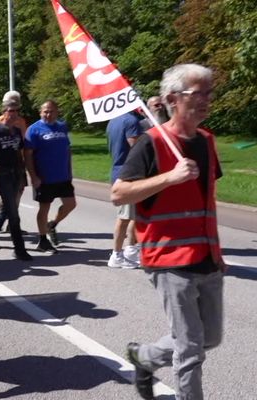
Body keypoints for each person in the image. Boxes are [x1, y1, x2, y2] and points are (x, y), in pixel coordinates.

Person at [111, 64, 225, 400]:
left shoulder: (207, 140)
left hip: (207, 257)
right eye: (198, 93)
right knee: (190, 350)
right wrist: (169, 177)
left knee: (210, 338)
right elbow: (119, 193)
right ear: (173, 99)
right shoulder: (152, 143)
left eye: (209, 92)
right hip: (168, 258)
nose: (206, 99)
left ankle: (144, 357)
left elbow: (207, 202)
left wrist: (217, 254)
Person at [0, 100, 32, 261]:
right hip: (2, 174)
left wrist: (24, 173)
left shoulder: (17, 131)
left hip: (17, 173)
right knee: (13, 213)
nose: (14, 114)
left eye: (17, 111)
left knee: (7, 208)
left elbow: (21, 153)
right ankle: (19, 249)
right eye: (10, 111)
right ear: (4, 112)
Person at [24, 100, 76, 252]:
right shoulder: (33, 130)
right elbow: (27, 155)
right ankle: (42, 240)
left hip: (63, 176)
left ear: (57, 112)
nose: (48, 114)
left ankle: (52, 224)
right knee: (44, 208)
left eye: (51, 111)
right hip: (44, 177)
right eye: (45, 111)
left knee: (70, 204)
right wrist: (33, 176)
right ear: (40, 112)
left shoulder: (62, 127)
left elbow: (68, 150)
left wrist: (69, 171)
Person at [106, 111, 143, 269]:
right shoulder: (131, 121)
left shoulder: (113, 120)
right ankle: (117, 254)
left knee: (134, 215)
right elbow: (137, 148)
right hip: (129, 175)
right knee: (124, 217)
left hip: (120, 172)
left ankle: (129, 250)